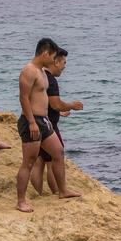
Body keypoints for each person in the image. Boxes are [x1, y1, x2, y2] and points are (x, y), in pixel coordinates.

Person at [16, 38, 81, 213]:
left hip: (44, 121)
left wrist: (57, 113)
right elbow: (23, 98)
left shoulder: (42, 72)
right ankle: (21, 201)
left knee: (58, 152)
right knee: (29, 162)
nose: (54, 60)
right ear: (45, 53)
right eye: (52, 56)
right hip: (32, 121)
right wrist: (31, 122)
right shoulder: (29, 71)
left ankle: (63, 190)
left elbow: (44, 98)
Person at [30, 47, 83, 195]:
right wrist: (72, 105)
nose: (65, 66)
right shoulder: (51, 80)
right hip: (47, 125)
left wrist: (59, 112)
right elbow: (55, 104)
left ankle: (39, 193)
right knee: (55, 157)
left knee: (39, 161)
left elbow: (44, 102)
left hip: (37, 120)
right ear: (56, 61)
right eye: (64, 63)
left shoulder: (40, 75)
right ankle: (61, 191)